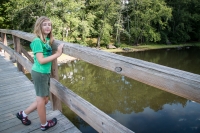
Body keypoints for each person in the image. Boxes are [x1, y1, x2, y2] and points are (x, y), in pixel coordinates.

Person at [16, 16, 64, 131]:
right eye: (44, 24)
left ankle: (23, 114)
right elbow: (41, 60)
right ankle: (44, 124)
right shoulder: (37, 41)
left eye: (49, 24)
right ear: (39, 26)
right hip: (40, 73)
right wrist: (57, 54)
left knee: (45, 99)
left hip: (44, 74)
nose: (48, 26)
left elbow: (49, 45)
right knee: (41, 100)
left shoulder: (46, 40)